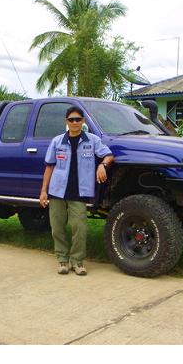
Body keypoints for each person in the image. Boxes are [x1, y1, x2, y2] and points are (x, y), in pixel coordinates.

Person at [39, 106, 114, 275]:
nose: (74, 122)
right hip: (57, 191)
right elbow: (49, 167)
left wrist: (102, 165)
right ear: (66, 121)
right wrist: (43, 191)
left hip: (79, 192)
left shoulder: (92, 140)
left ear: (83, 121)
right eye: (71, 120)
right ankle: (62, 260)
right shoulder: (57, 141)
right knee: (57, 228)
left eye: (78, 119)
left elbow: (109, 155)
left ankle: (77, 262)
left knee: (80, 228)